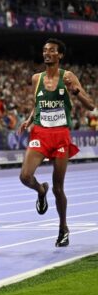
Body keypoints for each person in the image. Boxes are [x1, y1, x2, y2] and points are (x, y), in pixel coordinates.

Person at [18, 38, 95, 247]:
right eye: (44, 50)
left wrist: (75, 91)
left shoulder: (67, 76)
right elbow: (38, 104)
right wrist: (29, 119)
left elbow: (90, 105)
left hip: (61, 135)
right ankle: (40, 190)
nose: (47, 53)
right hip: (40, 134)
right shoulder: (36, 78)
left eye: (52, 50)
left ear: (60, 55)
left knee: (58, 188)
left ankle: (63, 228)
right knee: (25, 176)